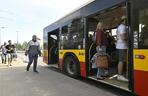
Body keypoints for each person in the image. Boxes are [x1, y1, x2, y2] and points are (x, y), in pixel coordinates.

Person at [116, 16, 128, 82]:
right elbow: (123, 38)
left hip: (121, 46)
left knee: (122, 60)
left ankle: (120, 74)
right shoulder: (122, 27)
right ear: (124, 20)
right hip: (122, 46)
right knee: (121, 60)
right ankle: (119, 75)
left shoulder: (120, 27)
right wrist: (129, 38)